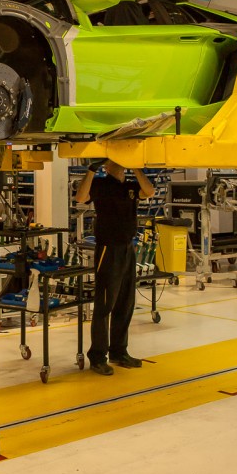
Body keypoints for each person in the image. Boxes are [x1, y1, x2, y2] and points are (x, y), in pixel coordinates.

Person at [75, 159, 156, 375]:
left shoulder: (129, 186)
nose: (118, 163)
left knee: (125, 302)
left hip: (127, 248)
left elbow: (149, 191)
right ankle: (98, 356)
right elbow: (81, 198)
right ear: (107, 165)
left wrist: (137, 167)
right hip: (107, 249)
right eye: (113, 160)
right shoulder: (101, 184)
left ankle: (119, 352)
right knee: (104, 304)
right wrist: (91, 171)